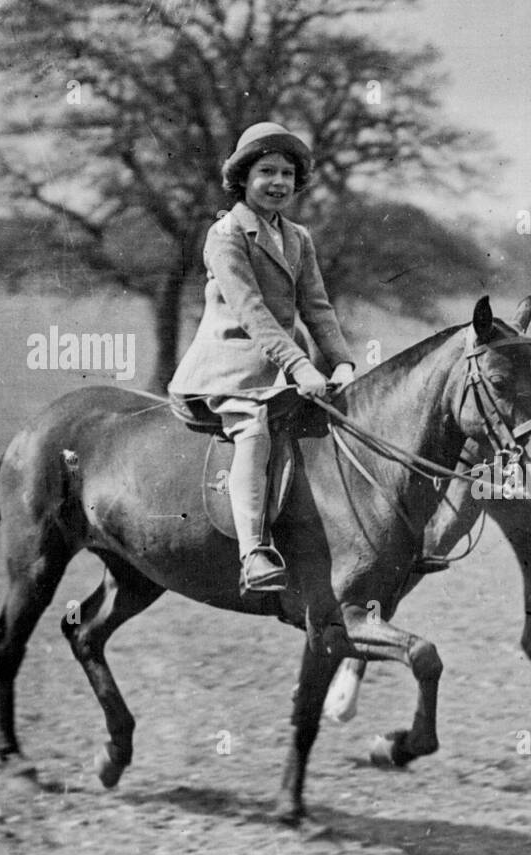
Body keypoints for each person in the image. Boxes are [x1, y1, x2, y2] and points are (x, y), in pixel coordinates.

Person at [170, 122, 355, 592]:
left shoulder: (297, 237)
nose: (278, 183)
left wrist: (340, 362)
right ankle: (253, 552)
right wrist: (301, 366)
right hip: (228, 370)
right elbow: (251, 312)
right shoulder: (225, 233)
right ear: (243, 179)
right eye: (266, 171)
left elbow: (316, 306)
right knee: (253, 430)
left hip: (284, 368)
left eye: (287, 174)